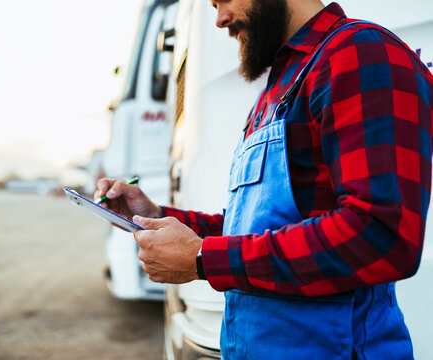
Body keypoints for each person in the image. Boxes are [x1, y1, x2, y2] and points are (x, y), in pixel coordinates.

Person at [96, 0, 433, 358]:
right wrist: (153, 215)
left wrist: (200, 257)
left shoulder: (362, 53)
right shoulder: (278, 88)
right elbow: (252, 231)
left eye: (224, 0)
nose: (220, 19)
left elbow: (380, 235)